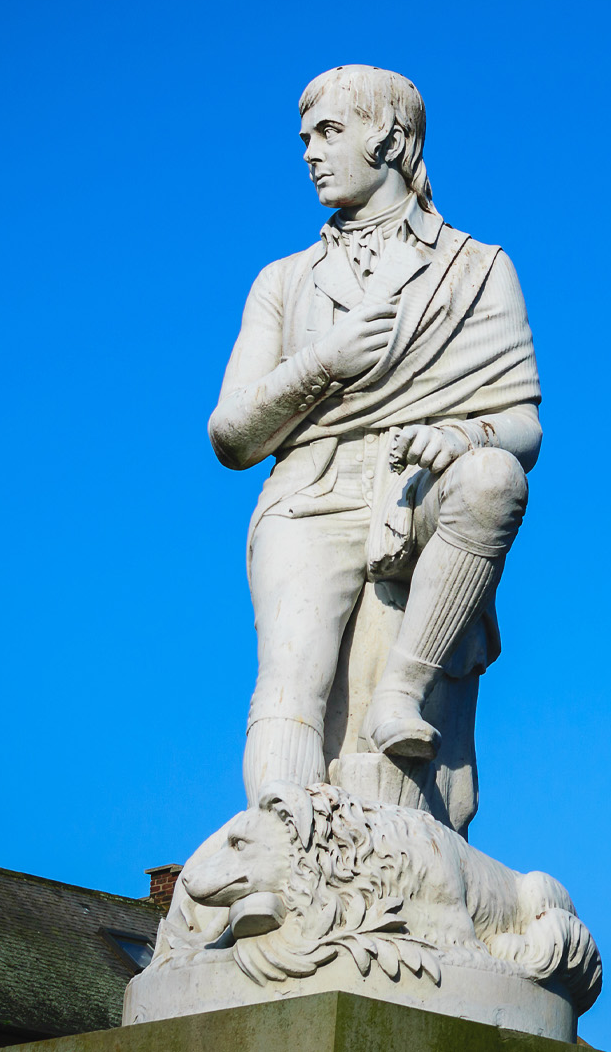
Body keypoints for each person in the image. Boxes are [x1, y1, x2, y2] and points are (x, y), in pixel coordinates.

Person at [207, 66, 542, 808]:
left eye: (328, 132)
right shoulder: (283, 280)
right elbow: (230, 436)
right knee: (292, 676)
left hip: (417, 489)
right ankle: (281, 838)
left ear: (388, 138)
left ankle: (404, 688)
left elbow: (522, 421)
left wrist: (464, 435)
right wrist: (326, 361)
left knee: (495, 478)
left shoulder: (478, 268)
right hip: (311, 487)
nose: (309, 153)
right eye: (305, 138)